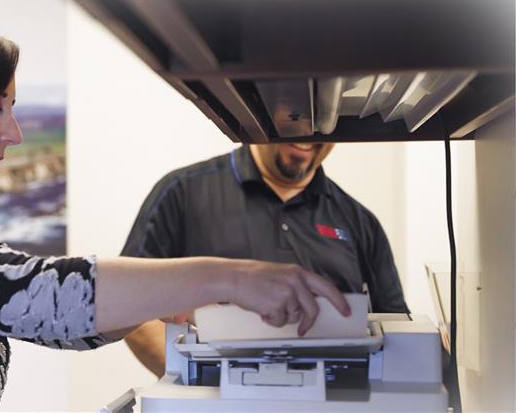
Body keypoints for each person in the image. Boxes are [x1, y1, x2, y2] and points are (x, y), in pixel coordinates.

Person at [0, 10, 350, 412]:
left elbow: (56, 320)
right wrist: (227, 279)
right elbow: (46, 297)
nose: (14, 133)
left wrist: (157, 298)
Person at [122, 143, 409, 377]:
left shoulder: (359, 220)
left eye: (320, 124)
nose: (306, 135)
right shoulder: (182, 193)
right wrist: (201, 384)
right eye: (293, 119)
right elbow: (130, 309)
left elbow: (397, 328)